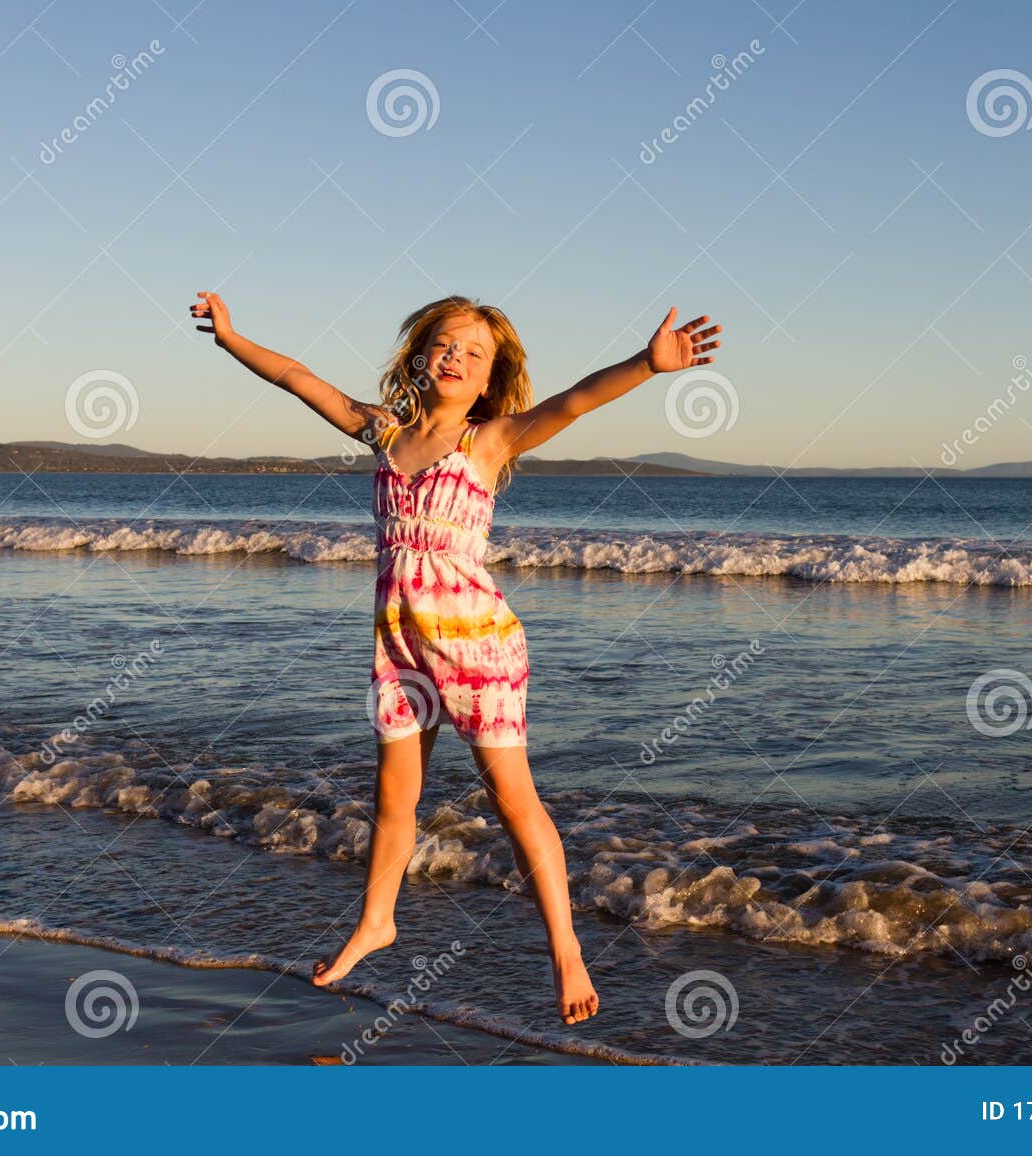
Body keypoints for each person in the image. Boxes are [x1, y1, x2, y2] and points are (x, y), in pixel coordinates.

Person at [191, 290, 721, 1024]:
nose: (455, 357)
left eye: (474, 353)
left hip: (477, 644)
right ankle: (377, 921)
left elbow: (571, 404)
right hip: (400, 641)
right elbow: (297, 377)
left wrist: (648, 363)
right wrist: (230, 337)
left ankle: (564, 947)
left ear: (489, 378)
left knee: (512, 800)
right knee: (394, 795)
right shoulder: (384, 432)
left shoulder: (488, 441)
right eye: (444, 344)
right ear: (418, 355)